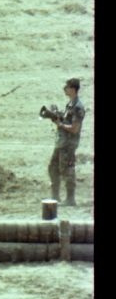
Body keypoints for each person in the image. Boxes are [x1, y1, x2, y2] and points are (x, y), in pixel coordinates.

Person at [47, 77, 86, 206]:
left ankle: (70, 199)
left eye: (67, 87)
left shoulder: (77, 107)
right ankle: (55, 196)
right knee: (53, 168)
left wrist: (60, 124)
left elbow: (75, 129)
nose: (65, 89)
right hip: (61, 142)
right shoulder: (70, 105)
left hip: (69, 144)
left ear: (73, 89)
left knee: (67, 170)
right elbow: (66, 121)